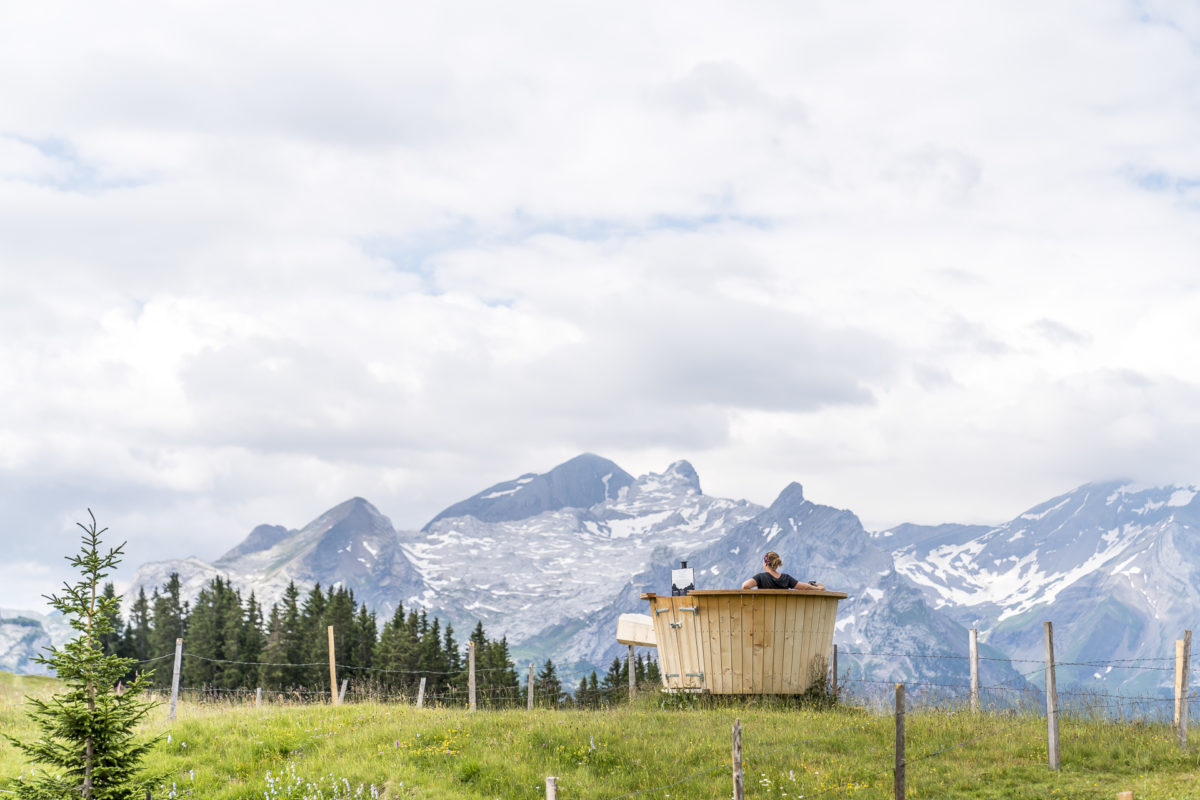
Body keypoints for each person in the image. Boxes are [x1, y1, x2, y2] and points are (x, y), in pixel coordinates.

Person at [741, 551, 826, 591]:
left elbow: (745, 586)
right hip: (784, 616)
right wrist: (817, 588)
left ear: (766, 564)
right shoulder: (786, 578)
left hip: (764, 613)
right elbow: (804, 587)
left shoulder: (760, 577)